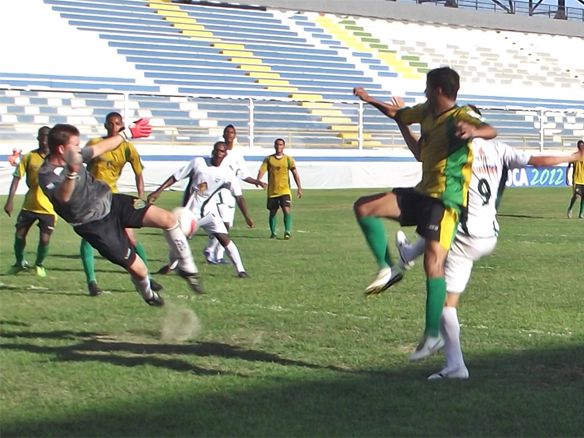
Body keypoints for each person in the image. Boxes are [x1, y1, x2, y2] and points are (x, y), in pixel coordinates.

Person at [393, 106, 584, 379]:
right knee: (440, 223)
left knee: (445, 301)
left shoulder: (456, 150)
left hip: (466, 234)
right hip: (489, 233)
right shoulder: (499, 149)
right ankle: (409, 253)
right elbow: (538, 160)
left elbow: (419, 153)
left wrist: (403, 125)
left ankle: (455, 366)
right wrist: (572, 155)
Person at [352, 67, 497, 361]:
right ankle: (388, 268)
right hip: (422, 193)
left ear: (439, 90)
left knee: (433, 262)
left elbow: (490, 130)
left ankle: (433, 335)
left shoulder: (461, 115)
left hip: (445, 202)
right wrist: (370, 100)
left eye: (427, 87)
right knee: (365, 207)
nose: (424, 92)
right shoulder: (426, 113)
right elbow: (399, 114)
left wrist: (473, 131)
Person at [38, 121, 202, 306]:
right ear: (61, 149)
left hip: (113, 202)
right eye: (75, 145)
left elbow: (101, 147)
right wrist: (71, 174)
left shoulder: (76, 156)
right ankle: (149, 295)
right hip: (94, 225)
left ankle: (187, 267)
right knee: (139, 270)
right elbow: (62, 197)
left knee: (168, 219)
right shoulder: (46, 174)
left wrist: (128, 133)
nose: (79, 148)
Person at [148, 141, 260, 278]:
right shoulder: (198, 163)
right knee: (180, 241)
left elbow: (239, 196)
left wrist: (247, 216)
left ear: (225, 154)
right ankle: (171, 266)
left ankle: (241, 270)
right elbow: (175, 177)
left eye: (222, 151)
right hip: (189, 214)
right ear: (212, 151)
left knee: (224, 238)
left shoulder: (227, 174)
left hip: (208, 214)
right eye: (217, 150)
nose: (219, 153)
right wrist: (158, 191)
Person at [81, 112, 162, 296]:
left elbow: (138, 173)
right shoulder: (95, 144)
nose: (113, 126)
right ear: (105, 125)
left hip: (114, 197)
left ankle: (146, 276)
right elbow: (81, 167)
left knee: (131, 238)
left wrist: (141, 198)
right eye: (110, 123)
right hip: (92, 197)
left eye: (117, 123)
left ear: (122, 125)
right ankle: (92, 282)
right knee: (88, 238)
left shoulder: (127, 148)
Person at [202, 124, 264, 263]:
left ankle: (214, 252)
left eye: (232, 132)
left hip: (231, 195)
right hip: (215, 194)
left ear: (235, 136)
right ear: (224, 134)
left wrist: (256, 181)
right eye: (227, 132)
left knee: (227, 225)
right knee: (222, 224)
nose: (230, 134)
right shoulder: (219, 150)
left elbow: (243, 174)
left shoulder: (237, 155)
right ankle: (214, 253)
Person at [4, 126, 56, 277]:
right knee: (20, 234)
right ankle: (19, 262)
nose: (44, 140)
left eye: (46, 137)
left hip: (49, 207)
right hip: (30, 205)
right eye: (41, 137)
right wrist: (10, 201)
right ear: (38, 138)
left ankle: (39, 264)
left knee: (45, 239)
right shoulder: (29, 157)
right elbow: (16, 177)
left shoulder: (57, 158)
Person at [256, 138, 303, 239]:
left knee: (286, 209)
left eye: (281, 144)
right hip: (272, 191)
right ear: (274, 145)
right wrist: (258, 180)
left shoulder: (288, 159)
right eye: (277, 144)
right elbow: (262, 170)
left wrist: (299, 187)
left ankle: (287, 231)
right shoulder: (268, 159)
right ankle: (273, 233)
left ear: (284, 146)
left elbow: (295, 173)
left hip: (285, 190)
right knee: (273, 212)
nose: (279, 146)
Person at [566, 139, 584, 219]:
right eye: (580, 146)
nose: (582, 147)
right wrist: (567, 177)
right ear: (578, 147)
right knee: (576, 196)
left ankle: (581, 213)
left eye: (583, 146)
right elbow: (568, 167)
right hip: (576, 180)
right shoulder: (574, 156)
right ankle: (570, 209)